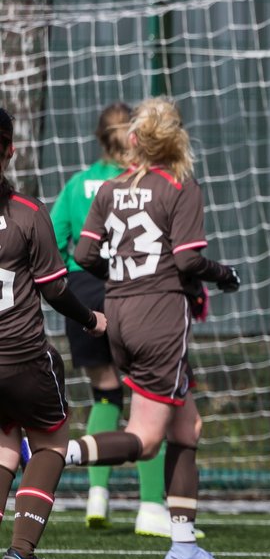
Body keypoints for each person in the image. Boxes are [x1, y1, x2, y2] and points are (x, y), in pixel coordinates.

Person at [59, 96, 241, 559]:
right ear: (177, 138)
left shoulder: (110, 188)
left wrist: (122, 276)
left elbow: (85, 255)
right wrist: (224, 274)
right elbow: (186, 262)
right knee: (144, 439)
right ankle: (56, 454)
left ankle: (183, 544)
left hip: (118, 313)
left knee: (188, 427)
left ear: (135, 141)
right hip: (161, 317)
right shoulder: (180, 185)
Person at [49, 102, 179, 537]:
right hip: (137, 296)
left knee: (105, 393)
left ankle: (97, 495)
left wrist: (71, 270)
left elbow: (56, 235)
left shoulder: (78, 185)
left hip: (83, 294)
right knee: (150, 398)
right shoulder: (145, 183)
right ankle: (150, 506)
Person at [0, 106, 108, 559]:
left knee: (2, 445)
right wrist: (91, 318)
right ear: (10, 149)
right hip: (22, 356)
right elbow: (55, 288)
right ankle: (21, 555)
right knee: (51, 441)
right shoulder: (26, 211)